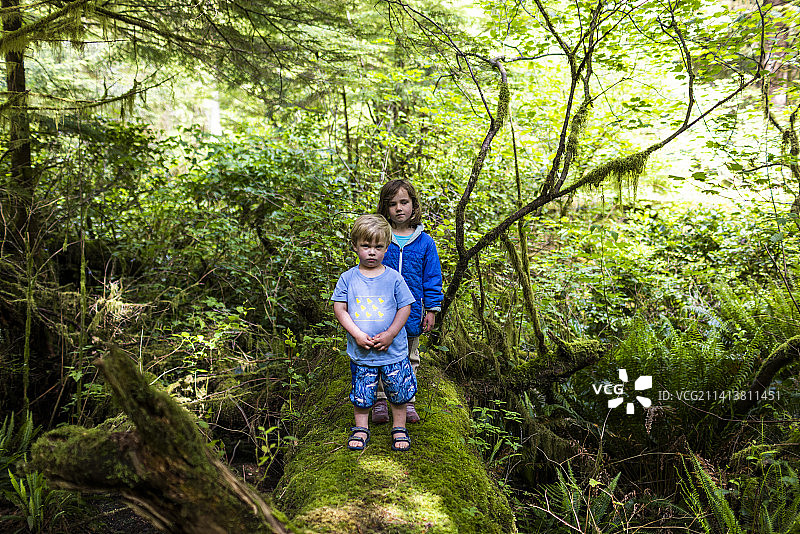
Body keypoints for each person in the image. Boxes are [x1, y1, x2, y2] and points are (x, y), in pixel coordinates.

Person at [331, 214, 417, 452]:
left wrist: (391, 333)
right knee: (363, 391)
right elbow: (340, 308)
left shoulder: (394, 278)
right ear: (355, 246)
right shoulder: (348, 278)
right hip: (363, 351)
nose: (372, 252)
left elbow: (405, 306)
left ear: (386, 248)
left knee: (398, 391)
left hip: (394, 350)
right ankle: (361, 427)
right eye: (366, 246)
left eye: (378, 247)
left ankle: (399, 427)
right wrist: (357, 334)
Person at [372, 179, 444, 424]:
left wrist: (432, 310)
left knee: (410, 357)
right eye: (392, 204)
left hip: (413, 312)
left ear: (414, 204)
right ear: (385, 208)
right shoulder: (379, 237)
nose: (399, 208)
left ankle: (406, 401)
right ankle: (380, 400)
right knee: (380, 354)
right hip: (380, 311)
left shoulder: (425, 242)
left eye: (404, 202)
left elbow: (432, 278)